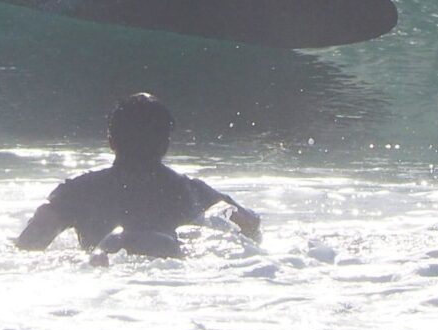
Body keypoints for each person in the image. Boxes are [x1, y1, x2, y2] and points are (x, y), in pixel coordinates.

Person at [15, 93, 260, 258]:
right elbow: (249, 225)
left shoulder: (77, 192)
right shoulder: (191, 191)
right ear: (165, 145)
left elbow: (28, 246)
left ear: (111, 142)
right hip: (170, 276)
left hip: (106, 274)